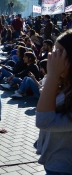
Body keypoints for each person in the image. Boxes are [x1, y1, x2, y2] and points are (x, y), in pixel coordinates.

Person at [36, 30, 72, 174]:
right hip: (54, 162)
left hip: (63, 168)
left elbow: (44, 121)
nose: (52, 56)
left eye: (60, 52)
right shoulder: (65, 85)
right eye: (54, 51)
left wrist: (53, 75)